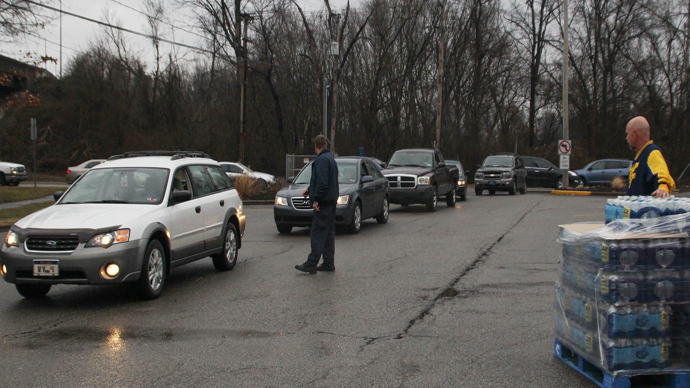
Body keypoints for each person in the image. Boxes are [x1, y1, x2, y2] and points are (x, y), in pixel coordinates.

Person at [295, 135, 339, 274]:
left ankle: (311, 263)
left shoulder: (321, 161)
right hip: (331, 202)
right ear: (326, 145)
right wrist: (310, 190)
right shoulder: (331, 159)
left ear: (315, 146)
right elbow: (326, 181)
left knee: (318, 232)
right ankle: (328, 262)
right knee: (328, 233)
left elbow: (322, 183)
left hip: (324, 203)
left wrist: (316, 200)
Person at [625, 116, 675, 198]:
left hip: (646, 209)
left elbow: (662, 173)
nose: (627, 138)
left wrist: (663, 187)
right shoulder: (640, 155)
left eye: (628, 134)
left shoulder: (652, 152)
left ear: (635, 133)